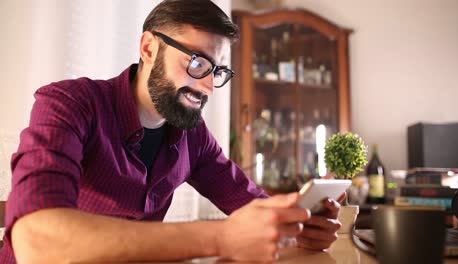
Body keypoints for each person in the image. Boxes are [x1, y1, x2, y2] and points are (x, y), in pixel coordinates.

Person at [0, 0, 342, 263]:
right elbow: (35, 241)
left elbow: (253, 205)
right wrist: (222, 237)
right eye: (197, 63)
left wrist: (300, 226)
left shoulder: (192, 134)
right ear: (149, 48)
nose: (208, 85)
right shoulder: (69, 104)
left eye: (218, 70)